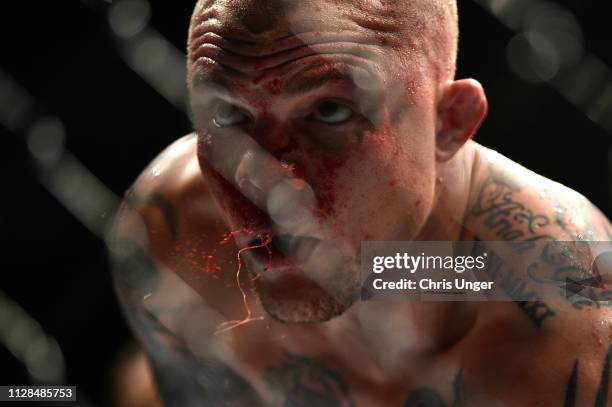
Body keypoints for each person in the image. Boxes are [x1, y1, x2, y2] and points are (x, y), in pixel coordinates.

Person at [109, 0, 612, 405]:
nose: (262, 178)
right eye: (227, 115)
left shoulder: (559, 324)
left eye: (329, 111)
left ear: (449, 123)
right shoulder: (174, 229)